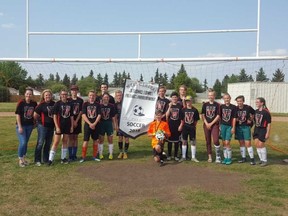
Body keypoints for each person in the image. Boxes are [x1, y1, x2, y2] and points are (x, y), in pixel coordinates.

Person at [48, 90, 74, 165]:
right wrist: (57, 126)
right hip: (59, 125)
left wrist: (72, 126)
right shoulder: (57, 104)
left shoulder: (70, 104)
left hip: (67, 125)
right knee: (56, 142)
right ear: (60, 95)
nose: (64, 96)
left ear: (67, 95)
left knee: (65, 141)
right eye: (62, 94)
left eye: (65, 94)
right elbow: (54, 116)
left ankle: (63, 158)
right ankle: (50, 159)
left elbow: (71, 116)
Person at [15, 88, 37, 167]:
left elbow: (36, 114)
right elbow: (18, 115)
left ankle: (24, 158)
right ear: (25, 94)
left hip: (29, 125)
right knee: (23, 142)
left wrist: (35, 123)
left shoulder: (34, 103)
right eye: (27, 93)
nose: (28, 95)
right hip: (21, 126)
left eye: (30, 94)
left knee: (25, 143)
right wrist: (20, 126)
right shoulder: (21, 103)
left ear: (32, 95)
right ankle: (20, 159)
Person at [33, 89, 55, 166]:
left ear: (51, 96)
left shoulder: (54, 104)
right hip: (42, 126)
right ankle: (37, 160)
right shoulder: (41, 105)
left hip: (51, 126)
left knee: (48, 143)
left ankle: (45, 159)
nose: (48, 96)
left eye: (49, 95)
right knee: (40, 143)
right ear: (43, 96)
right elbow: (35, 115)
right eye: (46, 95)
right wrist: (39, 122)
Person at [79, 90, 101, 163]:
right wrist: (90, 124)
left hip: (96, 125)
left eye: (93, 95)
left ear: (95, 96)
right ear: (88, 96)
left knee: (95, 140)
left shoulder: (98, 105)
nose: (92, 97)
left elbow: (99, 115)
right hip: (87, 125)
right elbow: (83, 115)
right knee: (86, 140)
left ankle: (94, 156)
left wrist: (94, 123)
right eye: (90, 95)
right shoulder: (85, 104)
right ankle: (83, 157)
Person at [235, 95, 256, 165]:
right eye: (238, 101)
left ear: (243, 101)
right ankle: (243, 158)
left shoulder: (248, 107)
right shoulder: (235, 108)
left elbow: (254, 113)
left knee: (248, 143)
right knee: (241, 142)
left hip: (246, 127)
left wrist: (250, 119)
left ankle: (252, 159)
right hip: (238, 127)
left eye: (240, 101)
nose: (239, 102)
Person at [201, 88, 221, 163]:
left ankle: (218, 156)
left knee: (216, 140)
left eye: (212, 95)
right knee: (208, 141)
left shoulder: (218, 105)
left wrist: (211, 123)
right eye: (209, 95)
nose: (210, 97)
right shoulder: (205, 104)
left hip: (214, 124)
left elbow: (218, 115)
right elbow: (203, 114)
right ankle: (210, 156)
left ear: (214, 96)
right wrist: (206, 123)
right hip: (206, 124)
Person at [98, 93, 118, 160]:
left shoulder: (111, 106)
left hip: (109, 124)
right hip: (101, 124)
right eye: (105, 97)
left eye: (107, 97)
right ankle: (100, 154)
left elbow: (113, 116)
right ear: (102, 98)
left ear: (108, 98)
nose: (106, 98)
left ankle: (111, 154)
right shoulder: (99, 106)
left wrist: (115, 125)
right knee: (101, 139)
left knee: (110, 139)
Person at [180, 96, 200, 162]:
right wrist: (181, 126)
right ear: (185, 102)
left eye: (189, 101)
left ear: (192, 101)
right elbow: (182, 119)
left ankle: (193, 157)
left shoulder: (195, 110)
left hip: (192, 128)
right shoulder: (183, 110)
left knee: (193, 142)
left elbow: (196, 120)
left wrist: (194, 126)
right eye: (187, 101)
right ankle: (183, 157)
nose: (188, 102)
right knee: (184, 141)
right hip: (185, 127)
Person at [253, 97, 271, 167]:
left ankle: (264, 160)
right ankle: (261, 159)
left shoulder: (266, 112)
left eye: (258, 102)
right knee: (257, 144)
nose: (256, 103)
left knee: (261, 144)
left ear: (262, 103)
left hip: (263, 129)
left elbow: (269, 123)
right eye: (256, 102)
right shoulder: (256, 111)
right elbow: (255, 121)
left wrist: (267, 133)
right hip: (256, 129)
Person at [220, 93, 237, 165]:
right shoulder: (221, 106)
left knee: (227, 142)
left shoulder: (233, 107)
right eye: (225, 98)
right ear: (223, 99)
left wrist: (233, 127)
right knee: (223, 142)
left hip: (229, 126)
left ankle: (229, 158)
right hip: (223, 126)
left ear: (230, 98)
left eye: (228, 98)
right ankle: (225, 158)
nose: (226, 99)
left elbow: (234, 118)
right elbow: (219, 117)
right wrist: (219, 126)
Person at [166, 91, 183, 161]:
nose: (174, 98)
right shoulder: (169, 105)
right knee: (169, 141)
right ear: (171, 98)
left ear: (177, 98)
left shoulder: (180, 106)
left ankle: (175, 155)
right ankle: (169, 155)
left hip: (177, 124)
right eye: (173, 97)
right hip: (170, 124)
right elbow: (167, 115)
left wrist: (181, 125)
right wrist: (169, 107)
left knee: (176, 141)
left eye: (175, 97)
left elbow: (182, 116)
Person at [68, 85, 83, 161]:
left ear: (77, 91)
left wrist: (76, 121)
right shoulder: (68, 100)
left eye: (75, 90)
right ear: (70, 91)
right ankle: (70, 155)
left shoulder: (80, 100)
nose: (74, 91)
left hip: (77, 121)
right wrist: (72, 121)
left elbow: (80, 112)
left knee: (75, 138)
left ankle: (74, 155)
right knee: (70, 138)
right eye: (72, 90)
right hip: (69, 122)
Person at [114, 90, 130, 159]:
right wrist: (116, 125)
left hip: (126, 124)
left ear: (122, 95)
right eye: (117, 95)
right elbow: (114, 116)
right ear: (115, 96)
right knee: (120, 138)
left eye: (120, 95)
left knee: (126, 139)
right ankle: (121, 152)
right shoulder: (114, 105)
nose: (119, 97)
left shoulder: (126, 104)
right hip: (119, 124)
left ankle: (125, 152)